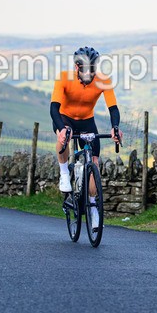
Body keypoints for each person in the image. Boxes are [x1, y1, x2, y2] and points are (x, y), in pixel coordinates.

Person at [50, 46, 123, 229]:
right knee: (64, 136)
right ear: (77, 67)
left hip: (87, 121)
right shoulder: (64, 78)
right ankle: (64, 173)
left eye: (93, 69)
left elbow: (113, 108)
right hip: (65, 118)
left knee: (94, 163)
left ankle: (92, 208)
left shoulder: (103, 80)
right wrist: (61, 129)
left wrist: (115, 128)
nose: (90, 74)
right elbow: (54, 108)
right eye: (86, 70)